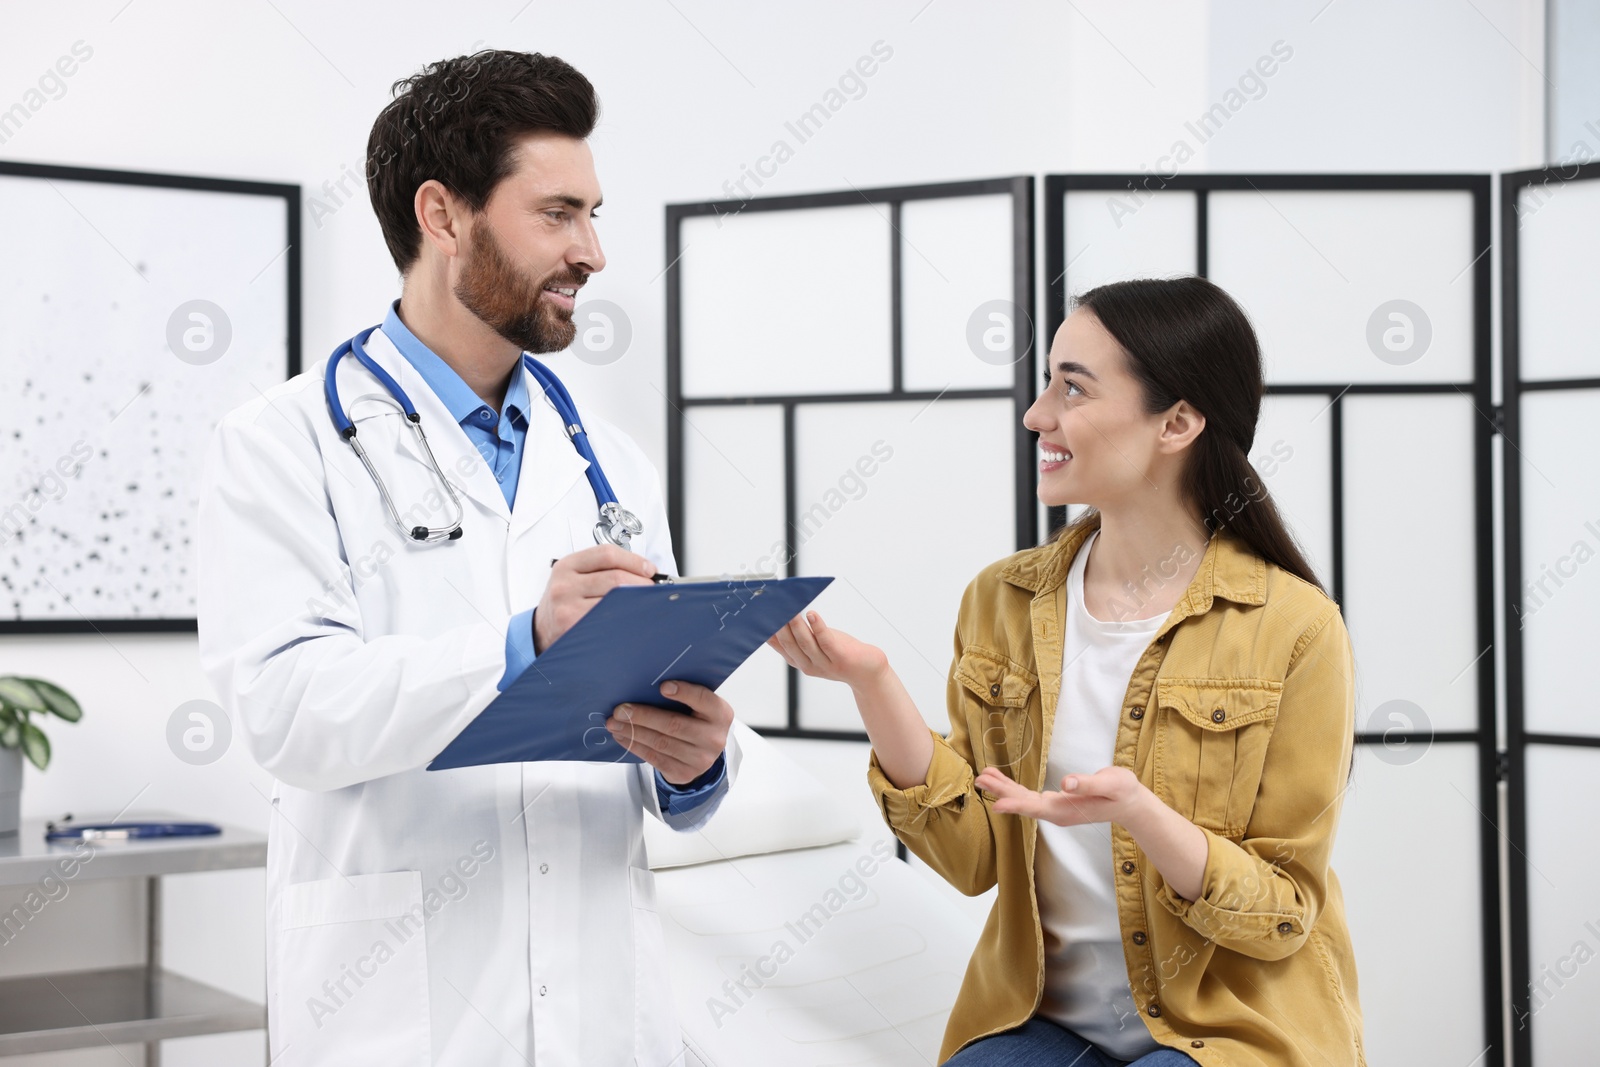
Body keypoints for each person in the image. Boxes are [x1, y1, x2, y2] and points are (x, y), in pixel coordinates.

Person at [197, 50, 741, 1065]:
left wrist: (697, 763)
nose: (593, 252)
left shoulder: (608, 460)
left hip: (601, 1002)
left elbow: (662, 704)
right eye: (560, 213)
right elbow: (282, 710)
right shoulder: (282, 441)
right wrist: (523, 642)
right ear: (444, 216)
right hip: (403, 1002)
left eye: (594, 213)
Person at [769, 276, 1364, 1066]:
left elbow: (1284, 912)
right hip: (1045, 1018)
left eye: (1072, 388)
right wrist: (872, 683)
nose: (1036, 413)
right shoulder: (1001, 601)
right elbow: (975, 857)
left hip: (1227, 1029)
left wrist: (1144, 817)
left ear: (1178, 421)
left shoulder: (1294, 628)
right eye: (1047, 380)